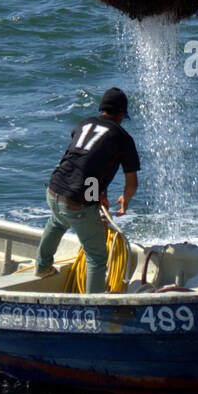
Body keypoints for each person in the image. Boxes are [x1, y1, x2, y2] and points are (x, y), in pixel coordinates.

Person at [35, 87, 139, 291]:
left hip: (55, 188)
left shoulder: (84, 124)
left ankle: (42, 267)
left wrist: (99, 195)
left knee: (57, 222)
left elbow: (89, 161)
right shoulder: (123, 138)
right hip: (77, 201)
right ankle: (93, 305)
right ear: (120, 114)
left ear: (101, 110)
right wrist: (125, 200)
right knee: (97, 256)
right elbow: (132, 183)